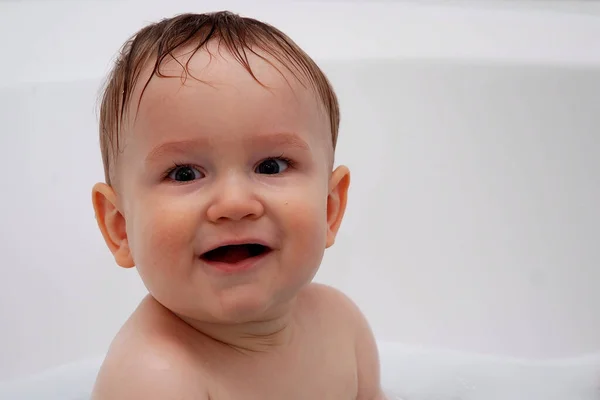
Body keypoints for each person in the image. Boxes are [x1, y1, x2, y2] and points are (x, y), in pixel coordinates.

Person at [91, 10, 386, 399]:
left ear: (329, 209)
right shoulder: (154, 379)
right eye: (184, 174)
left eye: (270, 166)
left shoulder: (342, 327)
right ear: (120, 227)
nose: (234, 204)